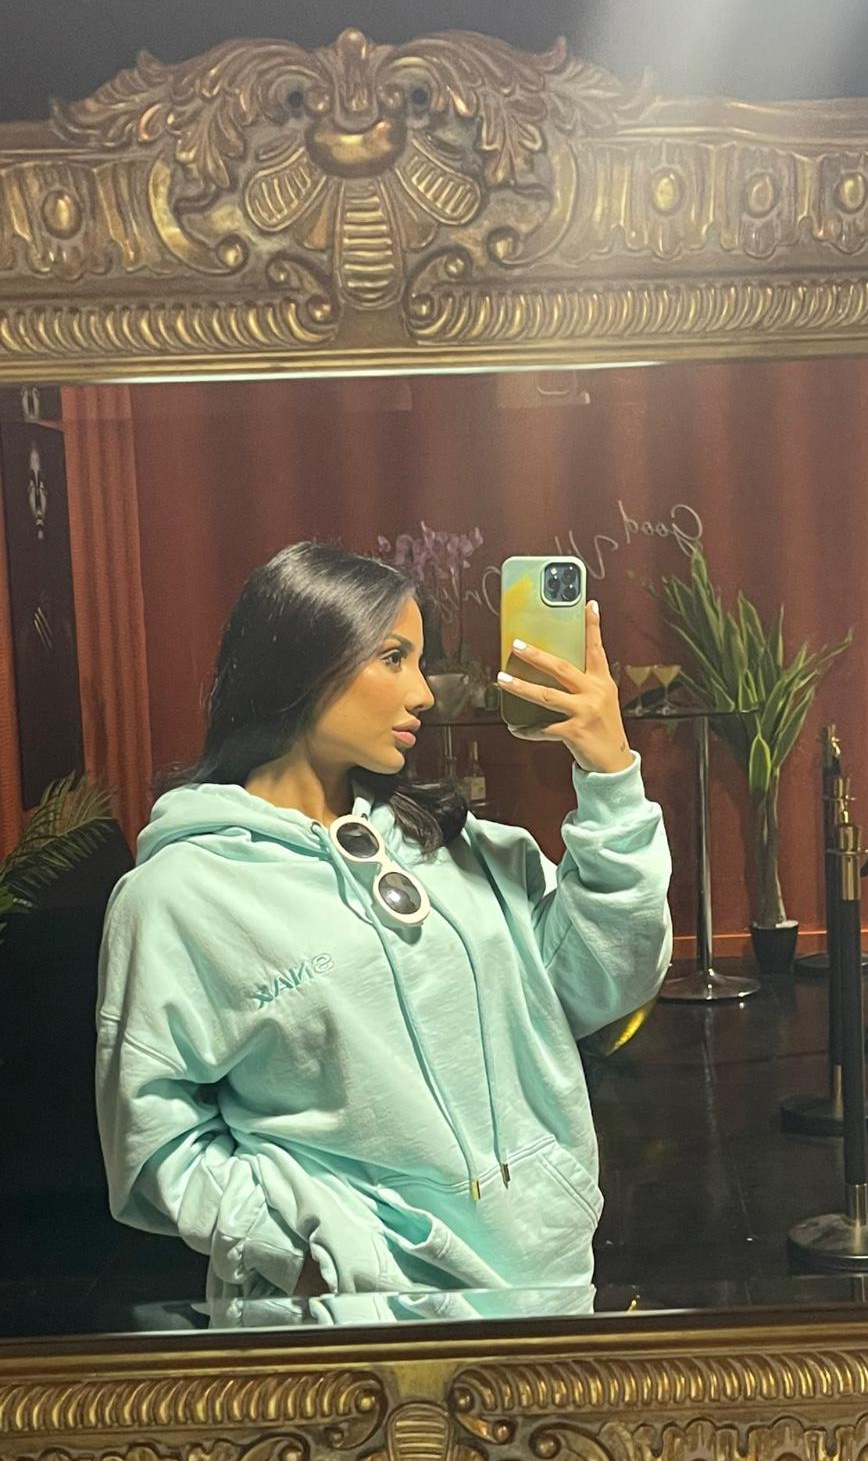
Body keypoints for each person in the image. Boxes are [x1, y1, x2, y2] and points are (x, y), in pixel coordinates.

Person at [95, 541, 673, 1322]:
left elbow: (604, 978)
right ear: (303, 665)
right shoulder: (181, 894)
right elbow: (154, 1137)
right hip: (344, 1322)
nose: (424, 693)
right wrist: (308, 1258)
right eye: (394, 658)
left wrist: (610, 777)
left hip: (539, 1284)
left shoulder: (456, 845)